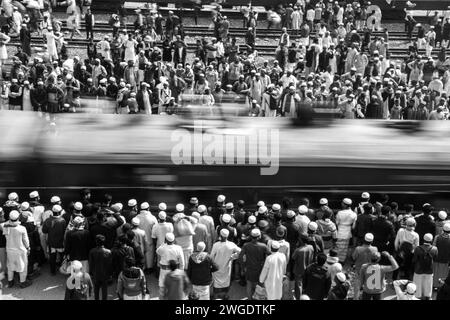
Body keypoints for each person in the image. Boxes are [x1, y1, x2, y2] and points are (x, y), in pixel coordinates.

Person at [0, 210, 32, 288]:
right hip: (20, 250)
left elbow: (4, 223)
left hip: (9, 250)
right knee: (22, 267)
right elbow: (25, 240)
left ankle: (10, 281)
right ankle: (22, 282)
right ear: (18, 218)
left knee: (10, 266)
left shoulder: (4, 226)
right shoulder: (22, 228)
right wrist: (28, 248)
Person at [210, 228, 241, 299]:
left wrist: (211, 265)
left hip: (216, 266)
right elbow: (240, 251)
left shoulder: (216, 245)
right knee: (226, 280)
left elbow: (211, 256)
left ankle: (216, 296)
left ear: (220, 235)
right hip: (227, 266)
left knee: (216, 282)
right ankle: (224, 295)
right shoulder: (231, 245)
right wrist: (233, 257)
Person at [239, 228, 268, 299]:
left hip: (249, 268)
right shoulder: (263, 246)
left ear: (251, 236)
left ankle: (249, 299)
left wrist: (243, 268)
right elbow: (271, 255)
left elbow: (240, 257)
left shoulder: (246, 245)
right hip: (260, 269)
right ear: (259, 237)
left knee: (249, 284)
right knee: (258, 285)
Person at [156, 232, 184, 299]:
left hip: (164, 271)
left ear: (165, 240)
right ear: (174, 240)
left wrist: (163, 243)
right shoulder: (178, 248)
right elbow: (182, 261)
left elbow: (157, 251)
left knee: (163, 288)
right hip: (175, 270)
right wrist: (181, 271)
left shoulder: (162, 248)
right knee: (174, 287)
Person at [42, 205, 67, 275]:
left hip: (51, 243)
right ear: (60, 212)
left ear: (52, 212)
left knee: (52, 257)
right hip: (60, 243)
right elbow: (64, 232)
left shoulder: (48, 220)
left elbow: (44, 231)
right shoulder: (63, 221)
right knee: (62, 257)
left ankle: (52, 271)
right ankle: (62, 269)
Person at [412, 233, 438, 299]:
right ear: (431, 240)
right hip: (429, 270)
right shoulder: (435, 249)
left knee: (417, 283)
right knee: (428, 284)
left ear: (423, 239)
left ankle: (417, 296)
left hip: (418, 270)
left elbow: (414, 260)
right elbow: (435, 259)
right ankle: (428, 296)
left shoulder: (417, 248)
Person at [89, 234, 112, 300]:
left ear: (96, 241)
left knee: (96, 289)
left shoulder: (92, 251)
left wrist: (91, 273)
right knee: (104, 290)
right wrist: (110, 274)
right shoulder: (108, 252)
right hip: (105, 274)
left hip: (96, 274)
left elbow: (91, 264)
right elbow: (110, 265)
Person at [335, 198, 357, 264]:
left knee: (337, 247)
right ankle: (342, 261)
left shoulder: (339, 213)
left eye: (342, 203)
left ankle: (336, 260)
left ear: (345, 205)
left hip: (339, 232)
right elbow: (353, 226)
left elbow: (337, 223)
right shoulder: (354, 214)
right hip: (347, 233)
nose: (341, 204)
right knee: (344, 249)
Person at [433, 222, 450, 289]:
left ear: (443, 229)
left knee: (436, 273)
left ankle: (435, 286)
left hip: (437, 259)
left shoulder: (437, 237)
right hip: (446, 260)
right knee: (444, 273)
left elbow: (434, 248)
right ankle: (442, 286)